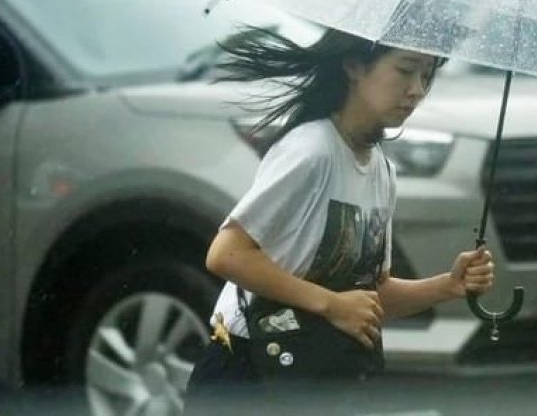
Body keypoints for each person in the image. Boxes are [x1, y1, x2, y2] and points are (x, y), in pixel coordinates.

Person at [184, 26, 495, 413]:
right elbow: (227, 254)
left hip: (315, 378)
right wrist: (331, 304)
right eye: (405, 70)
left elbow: (367, 298)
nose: (417, 89)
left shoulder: (382, 170)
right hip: (248, 374)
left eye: (427, 75)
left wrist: (448, 286)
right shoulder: (311, 150)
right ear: (354, 66)